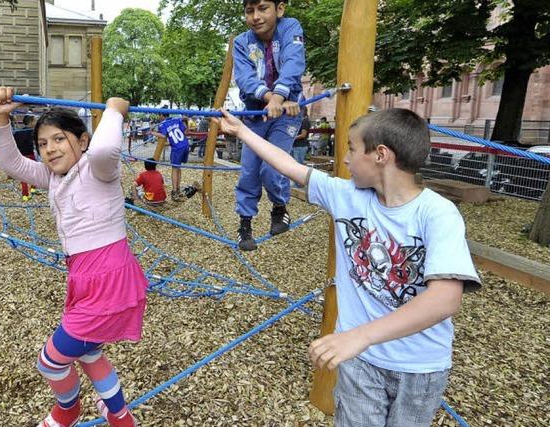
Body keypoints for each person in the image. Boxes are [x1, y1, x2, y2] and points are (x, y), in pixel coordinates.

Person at [216, 107, 481, 427]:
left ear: (380, 154)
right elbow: (290, 167)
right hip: (362, 363)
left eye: (352, 149)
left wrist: (360, 336)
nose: (344, 159)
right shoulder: (346, 196)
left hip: (420, 367)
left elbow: (445, 299)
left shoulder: (437, 214)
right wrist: (243, 132)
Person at [0, 86, 146, 427]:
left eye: (59, 139)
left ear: (82, 141)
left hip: (108, 278)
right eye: (42, 144)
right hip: (82, 276)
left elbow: (105, 147)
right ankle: (119, 414)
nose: (49, 149)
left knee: (51, 362)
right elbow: (12, 163)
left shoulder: (98, 169)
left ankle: (68, 411)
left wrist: (115, 107)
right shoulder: (53, 177)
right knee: (88, 351)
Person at [233, 0, 305, 251]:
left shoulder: (290, 28)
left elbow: (294, 63)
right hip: (255, 113)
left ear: (280, 9)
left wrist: (282, 97)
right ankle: (245, 223)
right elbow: (244, 77)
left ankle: (279, 206)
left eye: (263, 8)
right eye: (249, 10)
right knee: (249, 171)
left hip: (286, 113)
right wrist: (271, 98)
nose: (255, 16)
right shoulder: (242, 42)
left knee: (272, 168)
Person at [151, 109, 190, 202]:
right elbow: (186, 132)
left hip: (177, 148)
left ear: (161, 115)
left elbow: (163, 136)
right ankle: (178, 188)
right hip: (185, 145)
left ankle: (174, 192)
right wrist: (186, 121)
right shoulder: (176, 120)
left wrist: (152, 133)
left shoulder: (163, 125)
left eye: (158, 115)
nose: (158, 117)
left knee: (174, 169)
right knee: (178, 168)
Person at [13, 114, 37, 201]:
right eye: (35, 121)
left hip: (21, 155)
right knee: (34, 171)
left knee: (23, 175)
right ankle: (33, 188)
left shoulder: (18, 132)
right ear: (30, 122)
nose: (36, 122)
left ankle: (25, 194)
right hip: (29, 154)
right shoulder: (32, 131)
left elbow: (14, 143)